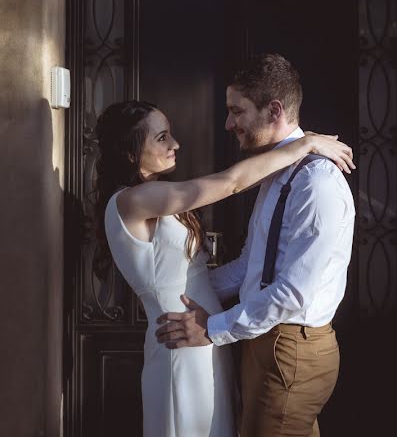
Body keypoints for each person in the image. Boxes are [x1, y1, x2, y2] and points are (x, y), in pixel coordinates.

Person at [96, 99, 354, 437]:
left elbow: (194, 275)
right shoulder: (131, 200)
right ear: (130, 152)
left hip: (201, 334)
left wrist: (217, 325)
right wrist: (305, 143)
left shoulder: (154, 196)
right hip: (181, 341)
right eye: (161, 138)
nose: (175, 144)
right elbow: (231, 183)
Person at [156, 54, 357, 437]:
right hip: (264, 340)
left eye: (237, 111)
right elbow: (254, 264)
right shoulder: (276, 173)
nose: (229, 124)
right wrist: (188, 289)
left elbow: (292, 294)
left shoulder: (317, 184)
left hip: (291, 348)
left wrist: (213, 328)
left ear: (274, 110)